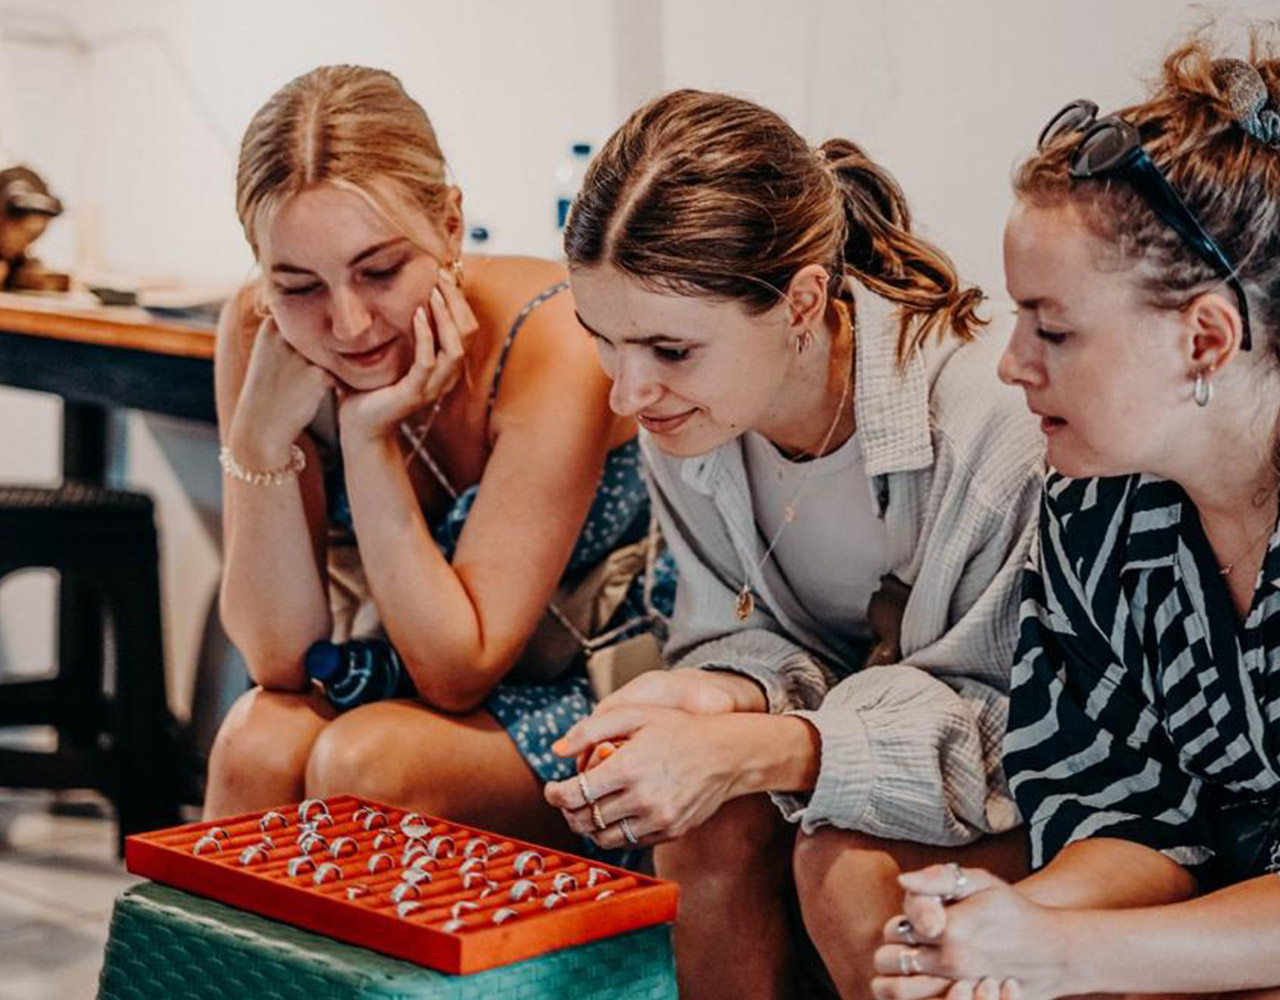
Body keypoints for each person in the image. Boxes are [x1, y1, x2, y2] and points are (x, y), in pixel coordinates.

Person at [542, 89, 1044, 1000]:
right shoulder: (687, 423)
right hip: (881, 748)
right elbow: (743, 630)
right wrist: (714, 690)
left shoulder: (989, 429)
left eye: (669, 348)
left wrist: (761, 746)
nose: (628, 394)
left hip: (1035, 795)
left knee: (842, 865)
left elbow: (1019, 742)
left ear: (804, 299)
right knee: (702, 826)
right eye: (604, 342)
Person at [873, 30, 1280, 1000]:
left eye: (1050, 328)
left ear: (1204, 338)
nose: (1010, 361)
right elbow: (1132, 809)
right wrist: (1001, 922)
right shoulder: (1093, 507)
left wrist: (1062, 954)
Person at [204, 65, 661, 857]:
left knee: (365, 762)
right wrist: (255, 444)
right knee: (254, 741)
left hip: (583, 690)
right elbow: (277, 657)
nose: (347, 324)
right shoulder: (262, 336)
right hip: (384, 671)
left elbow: (461, 670)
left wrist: (369, 438)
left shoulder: (556, 338)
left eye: (380, 271)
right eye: (297, 284)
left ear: (450, 224)